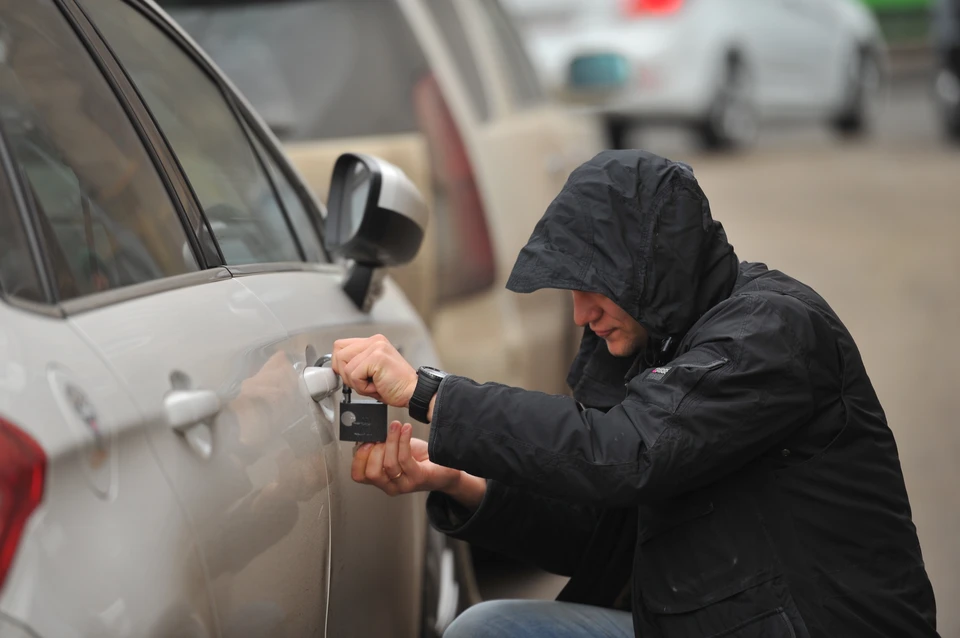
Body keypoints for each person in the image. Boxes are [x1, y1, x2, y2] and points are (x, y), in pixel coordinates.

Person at [331, 150, 938, 638]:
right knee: (491, 628)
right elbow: (604, 534)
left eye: (595, 287)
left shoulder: (771, 331)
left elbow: (626, 452)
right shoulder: (656, 344)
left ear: (654, 268)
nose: (580, 314)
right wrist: (455, 479)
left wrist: (431, 393)